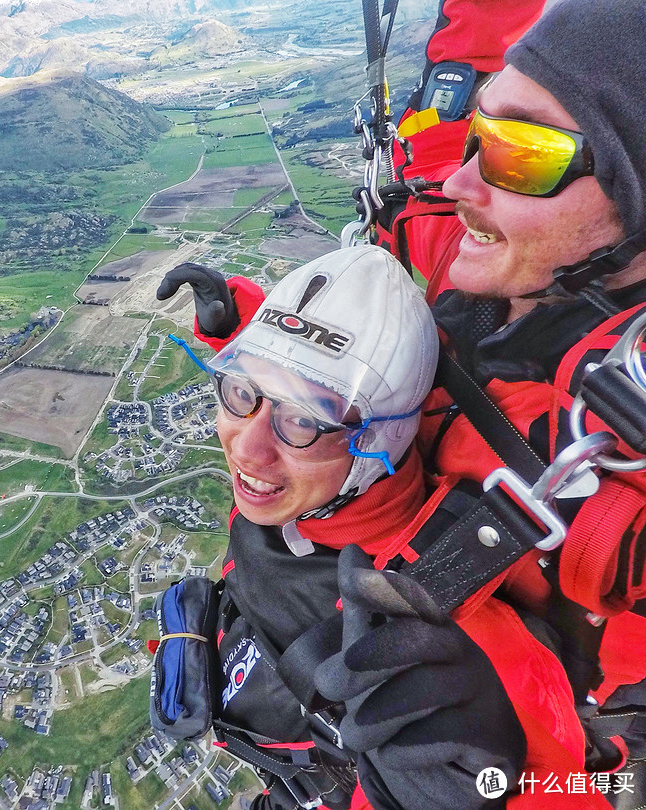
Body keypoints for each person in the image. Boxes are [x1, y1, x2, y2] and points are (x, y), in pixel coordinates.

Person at [159, 1, 646, 807]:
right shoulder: (499, 249)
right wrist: (262, 336)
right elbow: (392, 276)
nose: (462, 181)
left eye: (521, 153)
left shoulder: (621, 458)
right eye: (478, 139)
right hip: (339, 582)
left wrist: (515, 768)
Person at [153, 246, 552, 809]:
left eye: (300, 422)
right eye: (242, 393)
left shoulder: (434, 614)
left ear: (376, 444)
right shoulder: (313, 485)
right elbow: (330, 386)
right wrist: (240, 330)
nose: (247, 448)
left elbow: (579, 781)